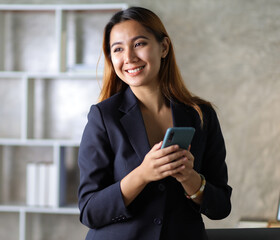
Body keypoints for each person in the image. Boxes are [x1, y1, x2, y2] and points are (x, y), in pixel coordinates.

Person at [77, 6, 232, 240]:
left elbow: (221, 207)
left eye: (139, 44)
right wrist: (143, 174)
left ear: (164, 47)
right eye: (118, 49)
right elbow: (90, 211)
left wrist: (190, 178)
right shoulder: (103, 117)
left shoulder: (201, 115)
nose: (129, 57)